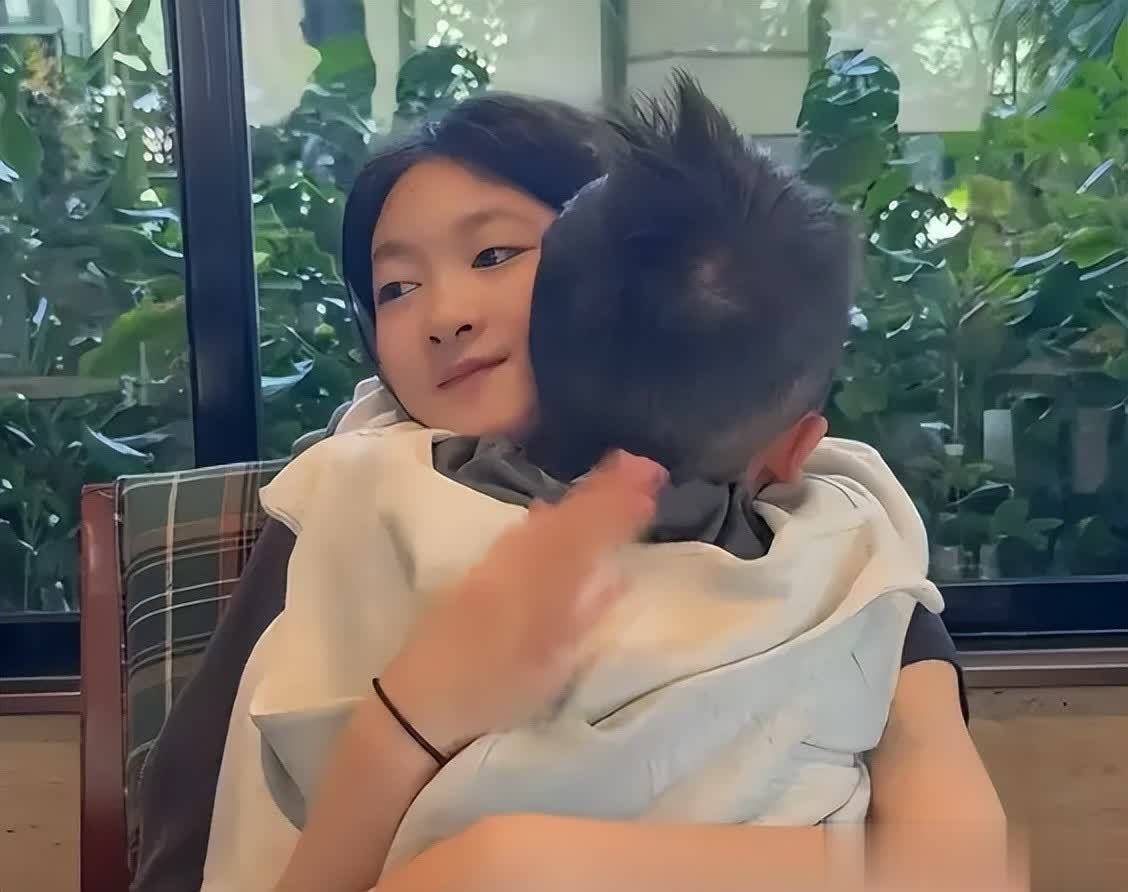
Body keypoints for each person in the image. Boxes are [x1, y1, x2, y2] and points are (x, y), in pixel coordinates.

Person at [130, 89, 1004, 892]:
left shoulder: (819, 521)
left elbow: (956, 866)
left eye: (494, 253)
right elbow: (189, 840)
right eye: (396, 288)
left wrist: (506, 864)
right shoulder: (347, 500)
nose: (444, 314)